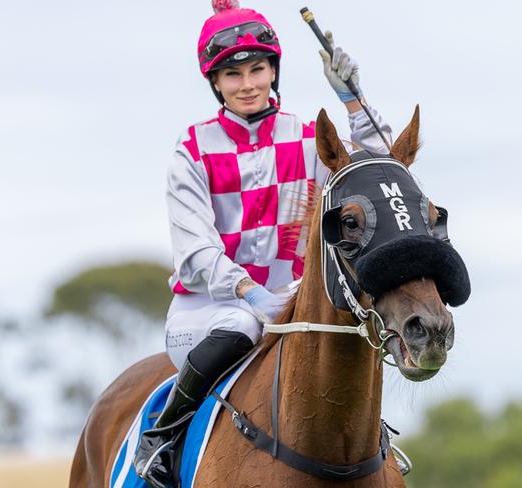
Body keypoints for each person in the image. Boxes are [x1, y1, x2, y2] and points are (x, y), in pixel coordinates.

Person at [133, 0, 393, 485]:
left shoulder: (311, 136)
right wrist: (252, 294)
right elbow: (196, 252)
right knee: (240, 324)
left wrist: (353, 101)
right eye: (233, 75)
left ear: (274, 69)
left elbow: (380, 168)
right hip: (208, 310)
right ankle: (161, 438)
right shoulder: (191, 149)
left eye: (258, 69)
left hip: (295, 305)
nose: (248, 84)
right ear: (215, 82)